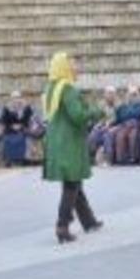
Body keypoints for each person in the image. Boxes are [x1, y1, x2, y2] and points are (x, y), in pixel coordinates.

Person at [42, 52, 104, 244]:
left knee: (74, 182)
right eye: (72, 64)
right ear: (63, 68)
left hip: (56, 142)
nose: (76, 67)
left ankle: (89, 221)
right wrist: (96, 111)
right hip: (69, 142)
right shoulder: (68, 89)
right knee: (71, 185)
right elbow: (78, 115)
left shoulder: (51, 88)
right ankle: (62, 226)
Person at [0, 91, 33, 167]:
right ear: (11, 99)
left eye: (18, 97)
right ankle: (9, 159)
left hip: (23, 127)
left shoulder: (26, 107)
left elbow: (29, 119)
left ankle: (24, 159)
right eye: (14, 98)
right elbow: (4, 120)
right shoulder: (7, 108)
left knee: (25, 137)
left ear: (20, 98)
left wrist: (21, 125)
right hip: (10, 128)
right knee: (7, 138)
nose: (16, 99)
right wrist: (12, 126)